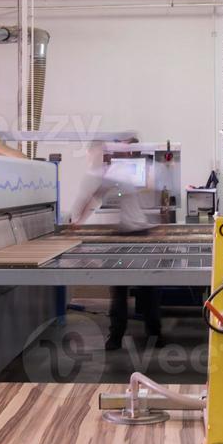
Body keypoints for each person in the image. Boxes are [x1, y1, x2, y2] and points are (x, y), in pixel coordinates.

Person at [71, 143, 166, 350]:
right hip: (132, 234)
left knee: (126, 289)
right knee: (140, 289)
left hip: (134, 236)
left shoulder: (118, 170)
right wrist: (79, 219)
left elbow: (93, 196)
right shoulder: (126, 171)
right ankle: (152, 336)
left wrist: (78, 218)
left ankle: (120, 337)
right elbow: (97, 196)